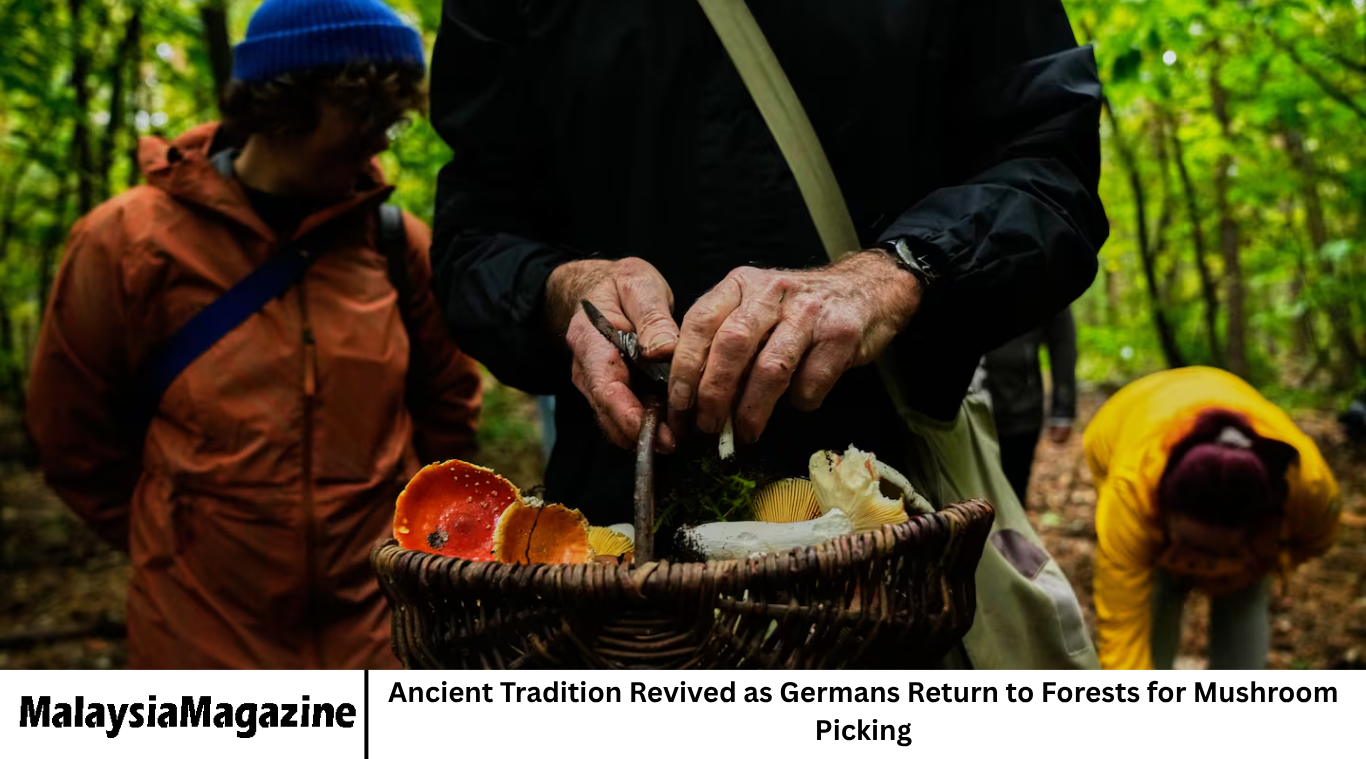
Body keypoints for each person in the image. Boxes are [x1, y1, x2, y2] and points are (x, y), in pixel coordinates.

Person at [428, 0, 1108, 667]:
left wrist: (895, 273)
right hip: (615, 573)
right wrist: (562, 291)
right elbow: (475, 234)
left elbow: (1052, 170)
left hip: (897, 558)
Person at [26, 0, 482, 669]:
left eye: (392, 117)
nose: (381, 139)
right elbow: (72, 437)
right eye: (367, 113)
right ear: (285, 105)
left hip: (381, 639)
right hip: (198, 642)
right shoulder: (126, 244)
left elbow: (447, 413)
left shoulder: (395, 247)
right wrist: (180, 538)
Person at [1083, 367, 1340, 670]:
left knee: (1245, 596)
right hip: (1129, 413)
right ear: (1162, 511)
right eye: (1190, 542)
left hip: (1254, 528)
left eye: (1222, 549)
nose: (1201, 562)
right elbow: (1121, 631)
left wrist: (1261, 559)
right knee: (1157, 591)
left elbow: (1314, 542)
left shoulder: (1309, 487)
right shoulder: (1131, 492)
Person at [983, 306, 1078, 505]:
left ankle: (1009, 534)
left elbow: (1063, 342)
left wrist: (1063, 408)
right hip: (955, 408)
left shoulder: (1046, 278)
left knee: (1012, 493)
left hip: (1018, 410)